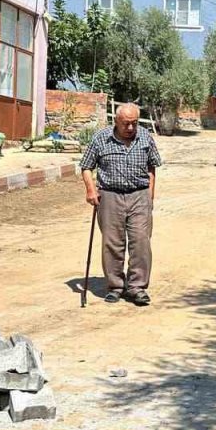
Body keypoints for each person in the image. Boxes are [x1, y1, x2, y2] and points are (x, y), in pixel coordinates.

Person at [80, 103, 161, 306]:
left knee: (141, 241)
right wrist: (91, 190)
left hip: (139, 195)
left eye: (134, 123)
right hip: (110, 196)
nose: (131, 128)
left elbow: (152, 166)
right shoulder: (101, 138)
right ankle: (115, 286)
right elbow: (86, 167)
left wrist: (150, 194)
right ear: (116, 121)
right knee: (112, 243)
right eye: (126, 124)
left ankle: (137, 287)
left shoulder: (145, 137)